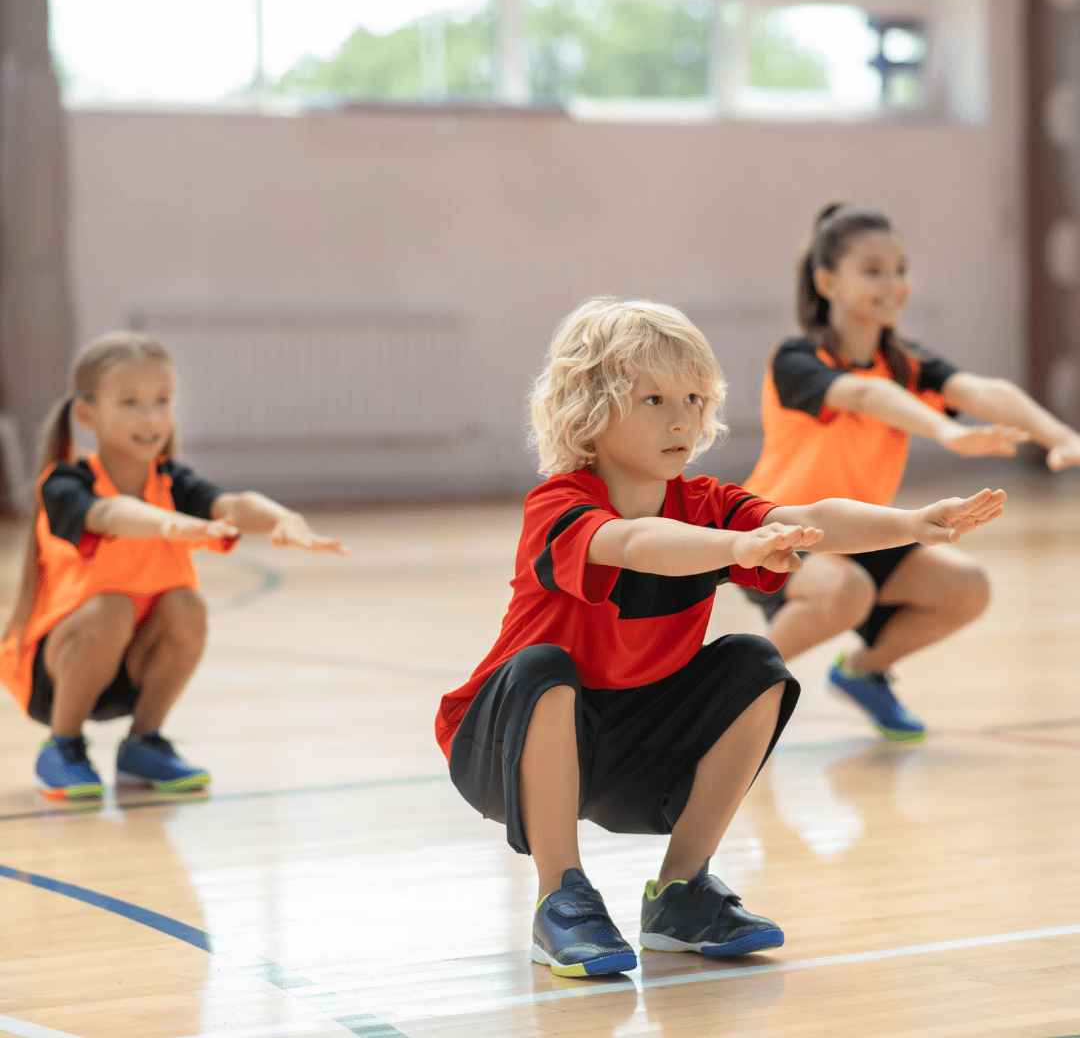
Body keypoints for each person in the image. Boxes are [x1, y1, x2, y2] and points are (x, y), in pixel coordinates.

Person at [435, 297, 1006, 978]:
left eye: (695, 398)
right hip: (502, 746)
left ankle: (681, 894)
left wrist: (913, 523)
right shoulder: (559, 506)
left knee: (754, 663)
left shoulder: (707, 503)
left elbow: (814, 515)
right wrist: (738, 544)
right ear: (589, 408)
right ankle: (562, 899)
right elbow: (640, 543)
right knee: (543, 668)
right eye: (652, 399)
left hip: (624, 752)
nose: (682, 418)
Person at [742, 203, 1080, 741]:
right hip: (778, 530)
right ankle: (729, 695)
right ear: (826, 280)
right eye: (873, 270)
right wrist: (945, 432)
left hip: (861, 532)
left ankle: (864, 672)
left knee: (967, 587)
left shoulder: (907, 363)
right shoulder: (796, 357)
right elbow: (865, 394)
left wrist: (1060, 436)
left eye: (900, 269)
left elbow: (983, 391)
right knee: (844, 592)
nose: (893, 283)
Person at [0, 331, 348, 801]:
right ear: (86, 415)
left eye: (162, 401)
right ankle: (62, 747)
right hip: (57, 671)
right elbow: (108, 514)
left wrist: (283, 519)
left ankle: (144, 744)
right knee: (112, 607)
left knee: (186, 604)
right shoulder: (65, 483)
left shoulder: (171, 481)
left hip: (131, 667)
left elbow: (232, 504)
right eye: (130, 402)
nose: (151, 417)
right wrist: (165, 524)